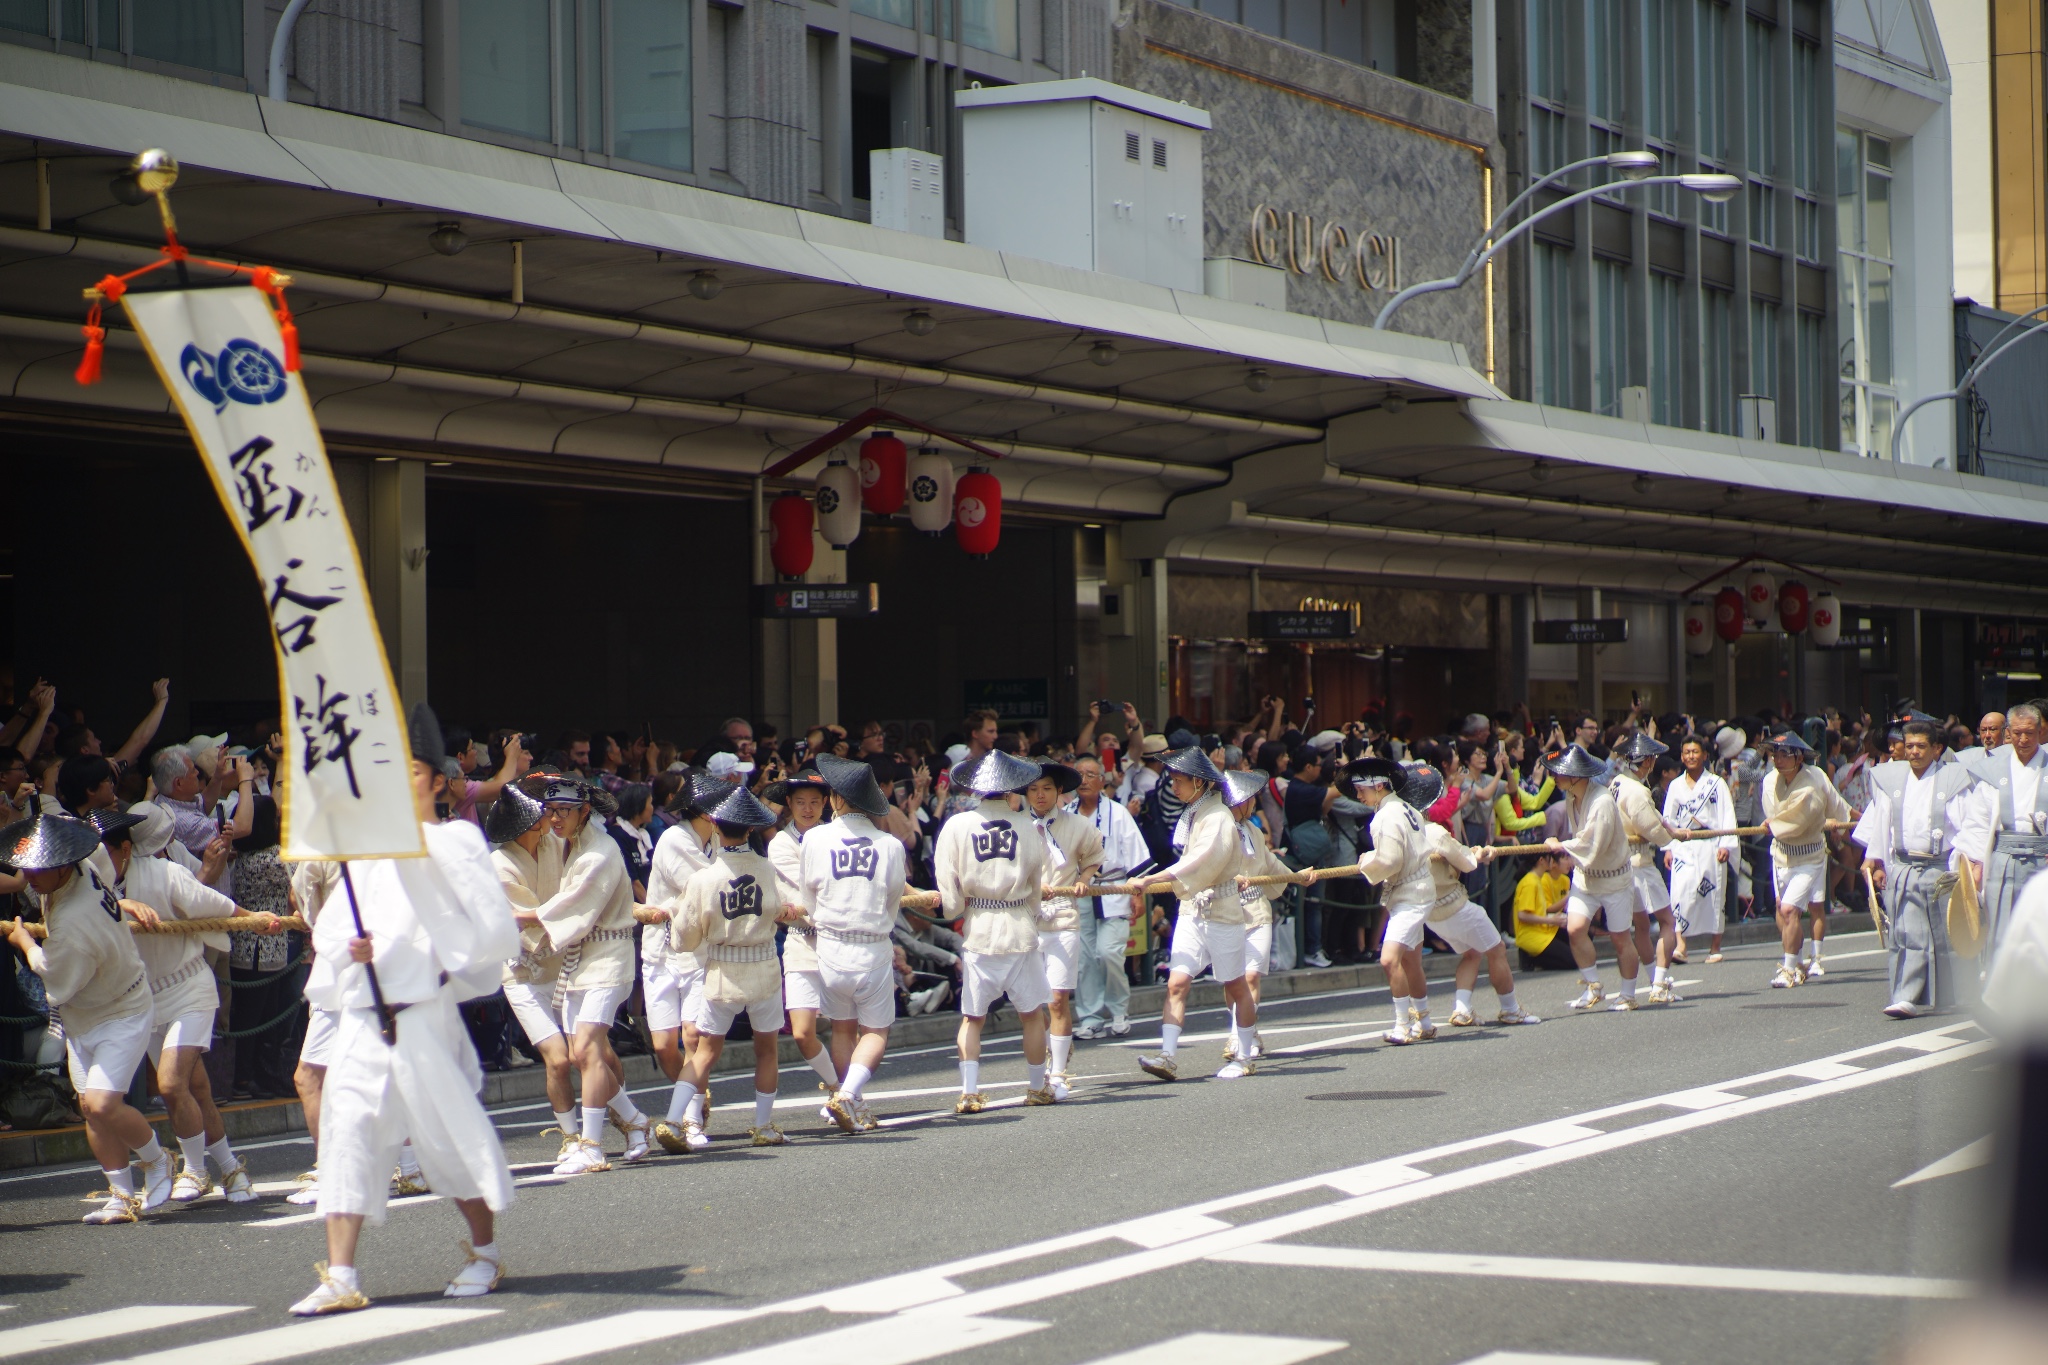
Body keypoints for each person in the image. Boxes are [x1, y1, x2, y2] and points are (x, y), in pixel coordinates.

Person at [289, 704, 521, 1316]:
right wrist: (350, 947)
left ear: (438, 780)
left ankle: (484, 1252)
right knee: (347, 1134)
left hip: (421, 1012)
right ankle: (340, 1272)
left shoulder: (457, 839)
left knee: (443, 1133)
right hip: (364, 1016)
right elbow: (332, 930)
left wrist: (438, 953)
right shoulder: (364, 852)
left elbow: (489, 928)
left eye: (415, 771)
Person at [3, 811, 172, 1223]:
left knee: (101, 1102)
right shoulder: (86, 859)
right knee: (88, 1105)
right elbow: (95, 851)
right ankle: (120, 1192)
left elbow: (54, 976)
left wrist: (25, 941)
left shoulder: (75, 922)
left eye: (36, 869)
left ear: (61, 865)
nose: (28, 877)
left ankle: (157, 1158)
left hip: (121, 1009)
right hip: (85, 1013)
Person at [93, 804, 265, 1203]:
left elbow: (216, 906)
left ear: (123, 848)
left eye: (101, 847)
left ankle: (195, 1170)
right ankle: (231, 1169)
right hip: (143, 998)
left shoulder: (165, 873)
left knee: (172, 1084)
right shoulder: (91, 884)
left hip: (188, 987)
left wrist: (253, 917)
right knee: (196, 1089)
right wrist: (121, 905)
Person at [531, 774, 651, 1174]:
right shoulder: (575, 846)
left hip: (609, 956)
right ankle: (634, 1121)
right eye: (550, 811)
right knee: (584, 1056)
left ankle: (592, 1145)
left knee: (586, 1050)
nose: (555, 818)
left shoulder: (600, 850)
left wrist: (520, 917)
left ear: (585, 811)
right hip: (582, 958)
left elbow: (574, 907)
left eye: (563, 810)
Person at [665, 784, 788, 1148]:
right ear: (750, 829)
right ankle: (763, 1126)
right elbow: (779, 909)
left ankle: (673, 1120)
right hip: (764, 966)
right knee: (766, 1049)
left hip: (722, 971)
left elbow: (685, 939)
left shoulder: (703, 879)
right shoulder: (767, 869)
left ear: (716, 825)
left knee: (704, 1051)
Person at [1130, 747, 1261, 1078]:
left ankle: (1244, 1056)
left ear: (1199, 783)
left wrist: (1151, 879)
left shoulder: (1217, 817)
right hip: (1193, 908)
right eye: (1172, 780)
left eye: (1179, 781)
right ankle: (1167, 1054)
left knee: (1235, 985)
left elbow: (1197, 861)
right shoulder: (1195, 813)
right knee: (1177, 982)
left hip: (1222, 908)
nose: (1174, 787)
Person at [937, 750, 1057, 1111]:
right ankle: (1037, 1087)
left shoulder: (958, 825)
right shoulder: (1027, 826)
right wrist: (1030, 908)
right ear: (1011, 790)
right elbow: (1036, 885)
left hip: (980, 927)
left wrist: (955, 907)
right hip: (1019, 924)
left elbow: (948, 888)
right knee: (1032, 1013)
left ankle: (969, 1091)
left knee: (973, 1016)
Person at [803, 755, 909, 1133]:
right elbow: (894, 899)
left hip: (829, 944)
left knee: (843, 1028)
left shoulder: (814, 837)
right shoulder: (890, 845)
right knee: (876, 1032)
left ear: (836, 799)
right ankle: (849, 1094)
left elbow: (809, 897)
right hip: (872, 945)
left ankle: (850, 1097)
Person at [1853, 721, 1978, 1019]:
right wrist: (1876, 860)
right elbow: (1882, 823)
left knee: (1948, 934)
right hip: (1904, 865)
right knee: (1909, 932)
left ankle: (1957, 993)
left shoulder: (1952, 778)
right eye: (1909, 746)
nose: (1914, 752)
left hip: (1942, 866)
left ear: (1936, 749)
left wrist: (1966, 862)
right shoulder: (1891, 778)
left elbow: (1966, 824)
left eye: (1921, 746)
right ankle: (1906, 995)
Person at [484, 780, 576, 1160]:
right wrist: (575, 920)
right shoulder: (499, 864)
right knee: (558, 1056)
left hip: (568, 959)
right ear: (524, 826)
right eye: (542, 815)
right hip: (523, 970)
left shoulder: (559, 844)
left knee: (591, 1048)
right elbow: (529, 924)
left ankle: (627, 1117)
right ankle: (572, 1136)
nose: (549, 819)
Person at [765, 769, 844, 1112]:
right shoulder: (781, 844)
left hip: (840, 942)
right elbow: (801, 892)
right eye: (800, 803)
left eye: (815, 802)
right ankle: (837, 1086)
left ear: (826, 803)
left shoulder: (836, 836)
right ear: (788, 804)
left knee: (845, 1025)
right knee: (801, 1031)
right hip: (802, 940)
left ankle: (848, 1097)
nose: (808, 809)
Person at [643, 779, 716, 1152]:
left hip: (697, 951)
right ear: (706, 811)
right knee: (663, 1046)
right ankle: (693, 1095)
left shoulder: (715, 841)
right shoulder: (674, 839)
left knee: (692, 1036)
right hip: (660, 951)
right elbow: (701, 888)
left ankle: (688, 1118)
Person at [1543, 744, 1641, 1011]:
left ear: (1575, 775)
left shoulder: (1602, 801)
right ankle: (1593, 985)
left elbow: (1592, 843)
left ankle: (1628, 994)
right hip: (1586, 877)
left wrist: (1560, 845)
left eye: (1559, 773)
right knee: (1575, 929)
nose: (1555, 777)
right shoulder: (1571, 798)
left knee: (1620, 938)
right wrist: (1563, 844)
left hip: (1614, 878)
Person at [1023, 760, 1102, 1092]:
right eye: (1033, 789)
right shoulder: (1016, 826)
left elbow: (1093, 858)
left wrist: (1084, 879)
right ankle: (1056, 1043)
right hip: (1026, 918)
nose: (1040, 796)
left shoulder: (1078, 825)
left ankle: (1057, 1073)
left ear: (1059, 792)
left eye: (1047, 789)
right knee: (1030, 1001)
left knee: (1057, 998)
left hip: (1064, 916)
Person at [1760, 730, 1855, 987]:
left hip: (1809, 856)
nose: (1778, 760)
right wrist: (1774, 824)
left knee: (1792, 909)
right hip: (1780, 853)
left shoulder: (1814, 781)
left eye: (1784, 755)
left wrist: (1848, 821)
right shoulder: (1769, 781)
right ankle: (1798, 960)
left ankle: (1789, 968)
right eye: (1774, 755)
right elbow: (1775, 814)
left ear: (1799, 757)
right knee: (1783, 912)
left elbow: (1834, 806)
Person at [1961, 702, 2048, 956]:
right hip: (2003, 857)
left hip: (2043, 855)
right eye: (2017, 733)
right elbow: (1978, 821)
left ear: (2040, 732)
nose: (2023, 739)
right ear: (2008, 733)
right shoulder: (1993, 770)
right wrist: (1975, 863)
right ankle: (2003, 991)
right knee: (2002, 925)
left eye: (2029, 733)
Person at [1068, 752, 1145, 1039]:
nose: (1084, 780)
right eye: (1080, 775)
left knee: (1108, 952)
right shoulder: (1067, 814)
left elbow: (1137, 858)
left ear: (1103, 780)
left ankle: (1118, 1010)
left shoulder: (1118, 812)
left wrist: (1138, 894)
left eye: (1091, 774)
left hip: (1114, 888)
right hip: (1079, 891)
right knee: (1084, 956)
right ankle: (1089, 1016)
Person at [1609, 733, 1681, 1004]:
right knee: (1667, 922)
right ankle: (1660, 982)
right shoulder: (1637, 790)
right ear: (1648, 761)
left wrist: (1668, 827)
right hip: (1639, 862)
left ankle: (1654, 980)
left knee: (1641, 924)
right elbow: (1649, 826)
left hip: (1623, 863)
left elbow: (1654, 818)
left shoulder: (1617, 782)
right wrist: (1671, 839)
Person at [1224, 768, 1289, 1058]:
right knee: (1232, 978)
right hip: (1225, 912)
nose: (1253, 803)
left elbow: (1272, 868)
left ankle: (1241, 1037)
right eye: (1249, 798)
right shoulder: (1217, 829)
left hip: (1258, 911)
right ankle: (1241, 1030)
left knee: (1250, 977)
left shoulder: (1254, 833)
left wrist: (1299, 876)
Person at [1663, 735, 1737, 964]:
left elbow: (1727, 815)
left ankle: (1715, 947)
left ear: (1704, 756)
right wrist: (1668, 848)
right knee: (1679, 893)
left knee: (1714, 894)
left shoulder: (1717, 783)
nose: (1690, 756)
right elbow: (1668, 819)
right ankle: (1681, 945)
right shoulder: (1675, 785)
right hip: (1683, 845)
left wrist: (1726, 844)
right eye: (1686, 752)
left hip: (1711, 844)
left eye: (1695, 752)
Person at [1510, 849, 1577, 971]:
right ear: (1541, 860)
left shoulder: (1536, 879)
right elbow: (1523, 915)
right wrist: (1552, 920)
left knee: (1577, 946)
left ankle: (1536, 958)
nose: (1553, 860)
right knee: (1572, 962)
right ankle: (1532, 958)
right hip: (1531, 935)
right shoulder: (1530, 882)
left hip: (1542, 931)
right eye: (1550, 857)